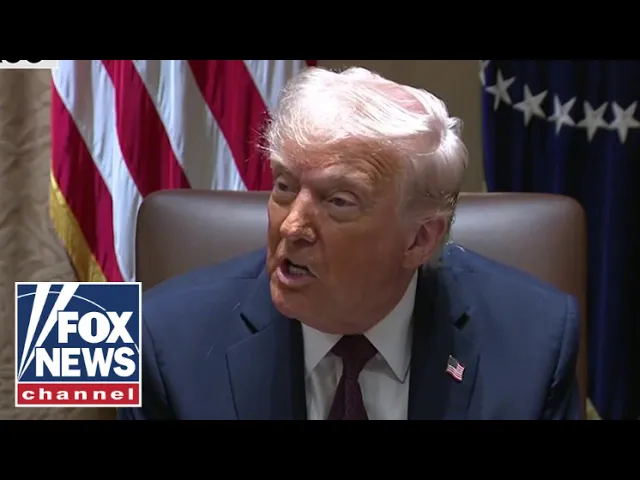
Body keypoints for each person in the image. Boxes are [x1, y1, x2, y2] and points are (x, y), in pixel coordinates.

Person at [118, 66, 581, 420]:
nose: (292, 227)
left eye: (339, 201)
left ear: (419, 239)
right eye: (284, 186)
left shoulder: (536, 342)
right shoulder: (159, 338)